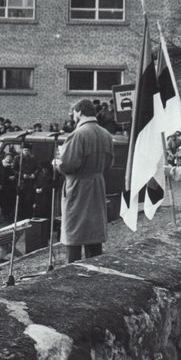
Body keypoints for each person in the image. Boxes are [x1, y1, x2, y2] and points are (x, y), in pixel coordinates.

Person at [53, 99, 114, 263]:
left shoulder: (78, 134)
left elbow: (68, 164)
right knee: (94, 234)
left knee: (75, 232)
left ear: (79, 112)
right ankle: (96, 269)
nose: (73, 117)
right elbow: (109, 164)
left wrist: (57, 165)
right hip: (98, 185)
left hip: (78, 187)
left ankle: (72, 272)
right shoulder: (106, 134)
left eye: (73, 113)